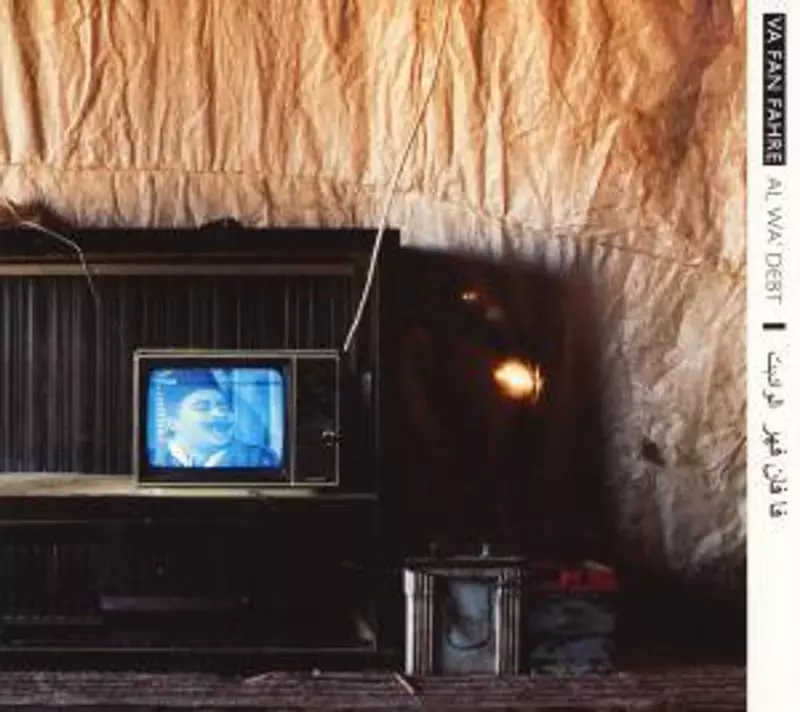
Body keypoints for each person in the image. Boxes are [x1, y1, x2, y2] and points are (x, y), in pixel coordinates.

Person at [150, 369, 279, 469]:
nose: (220, 414)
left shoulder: (261, 460)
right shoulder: (155, 459)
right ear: (172, 423)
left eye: (223, 408)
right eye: (203, 407)